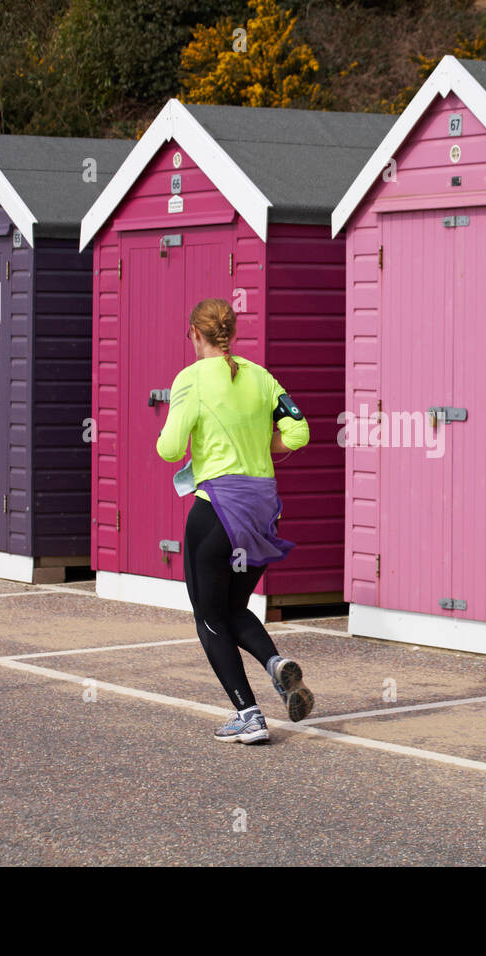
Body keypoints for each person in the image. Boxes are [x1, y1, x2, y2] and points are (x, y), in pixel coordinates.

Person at [156, 297, 315, 744]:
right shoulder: (261, 376)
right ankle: (275, 665)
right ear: (233, 334)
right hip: (264, 510)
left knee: (208, 618)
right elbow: (299, 433)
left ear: (194, 334)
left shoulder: (190, 379)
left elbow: (169, 448)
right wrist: (259, 446)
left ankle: (249, 716)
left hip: (217, 510)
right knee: (230, 608)